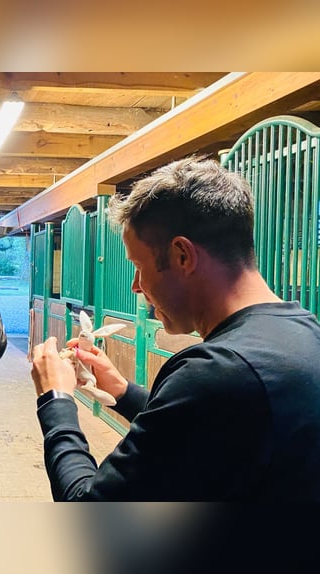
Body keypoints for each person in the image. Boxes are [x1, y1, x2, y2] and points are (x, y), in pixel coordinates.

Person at [30, 156, 320, 501]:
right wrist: (123, 391)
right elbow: (206, 429)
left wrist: (56, 400)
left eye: (139, 266)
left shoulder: (218, 371)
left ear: (183, 255)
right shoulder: (304, 331)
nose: (136, 286)